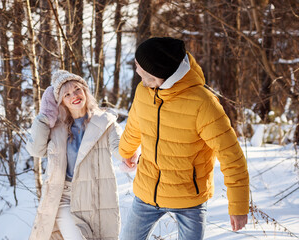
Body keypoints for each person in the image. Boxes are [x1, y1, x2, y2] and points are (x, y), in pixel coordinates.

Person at [118, 37, 250, 240]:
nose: (136, 71)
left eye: (139, 66)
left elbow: (231, 156)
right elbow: (135, 125)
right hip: (147, 192)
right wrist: (126, 152)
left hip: (190, 200)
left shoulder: (203, 104)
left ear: (157, 73)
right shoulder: (144, 92)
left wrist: (239, 205)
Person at [26, 70, 123, 240]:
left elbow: (120, 148)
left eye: (77, 89)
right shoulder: (56, 128)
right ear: (61, 102)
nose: (74, 96)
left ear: (85, 90)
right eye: (67, 94)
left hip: (94, 197)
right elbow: (36, 150)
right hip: (64, 198)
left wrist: (130, 157)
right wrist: (45, 116)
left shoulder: (105, 121)